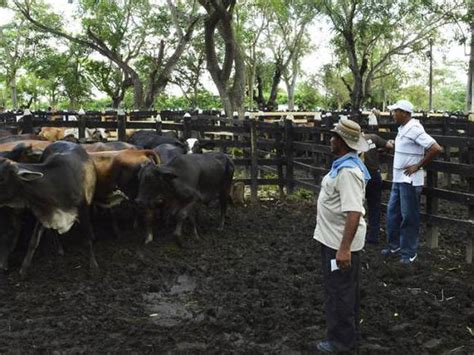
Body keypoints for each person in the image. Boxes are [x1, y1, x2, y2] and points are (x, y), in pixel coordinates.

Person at [313, 119, 370, 353]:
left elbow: (354, 211)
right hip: (334, 240)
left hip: (339, 244)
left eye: (334, 137)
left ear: (342, 142)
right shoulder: (343, 166)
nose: (330, 140)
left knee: (340, 292)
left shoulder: (348, 172)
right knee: (342, 290)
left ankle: (341, 343)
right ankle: (348, 337)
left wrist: (344, 249)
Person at [382, 100, 442, 264]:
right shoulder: (403, 129)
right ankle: (394, 246)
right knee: (392, 213)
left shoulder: (414, 128)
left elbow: (436, 148)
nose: (393, 114)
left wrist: (418, 165)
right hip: (398, 179)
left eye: (396, 112)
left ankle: (409, 253)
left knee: (409, 217)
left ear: (405, 113)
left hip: (409, 181)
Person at [364, 134, 393, 244]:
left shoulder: (352, 142)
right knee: (374, 206)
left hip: (360, 176)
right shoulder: (373, 137)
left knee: (356, 205)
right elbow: (389, 146)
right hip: (374, 175)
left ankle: (357, 233)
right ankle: (373, 236)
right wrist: (380, 151)